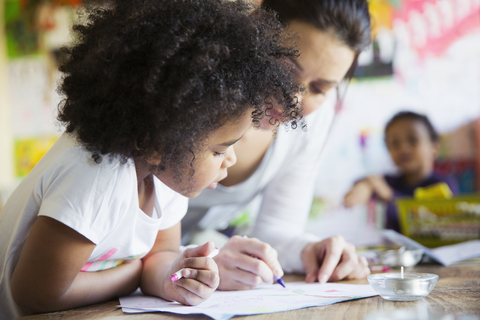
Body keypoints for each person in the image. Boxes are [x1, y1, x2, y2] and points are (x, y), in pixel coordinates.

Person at [0, 0, 303, 318]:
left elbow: (161, 254)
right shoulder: (95, 176)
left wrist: (174, 277)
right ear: (158, 144)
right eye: (219, 150)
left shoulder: (164, 175)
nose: (230, 160)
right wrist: (134, 274)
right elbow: (36, 295)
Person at [182, 0, 373, 291]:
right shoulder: (187, 87)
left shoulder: (313, 122)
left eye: (320, 88)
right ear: (256, 28)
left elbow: (276, 230)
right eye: (286, 70)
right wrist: (188, 262)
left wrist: (308, 251)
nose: (295, 98)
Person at [343, 111, 459, 231]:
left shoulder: (445, 184)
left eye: (413, 140)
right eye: (395, 143)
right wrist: (366, 184)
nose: (403, 148)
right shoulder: (390, 181)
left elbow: (426, 221)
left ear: (434, 147)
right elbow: (365, 185)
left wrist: (388, 195)